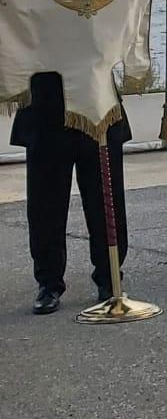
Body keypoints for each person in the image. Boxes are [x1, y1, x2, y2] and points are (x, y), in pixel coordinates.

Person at [12, 72, 131, 315]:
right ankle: (48, 282)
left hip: (96, 99)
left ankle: (109, 279)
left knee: (106, 200)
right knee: (45, 204)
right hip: (46, 101)